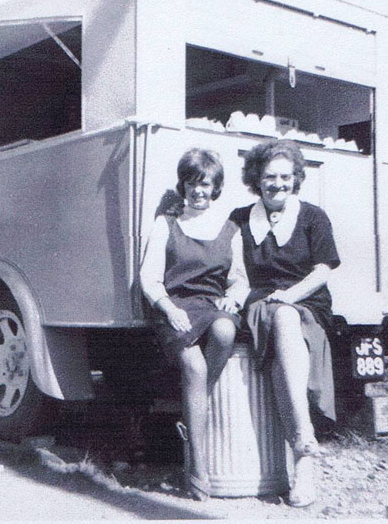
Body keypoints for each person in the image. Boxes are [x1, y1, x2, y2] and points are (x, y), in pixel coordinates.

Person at [230, 140, 340, 508]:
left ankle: (302, 450)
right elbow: (235, 274)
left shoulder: (312, 216)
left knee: (286, 317)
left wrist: (290, 296)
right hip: (260, 302)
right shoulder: (240, 219)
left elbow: (323, 270)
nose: (278, 184)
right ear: (256, 181)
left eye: (285, 177)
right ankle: (304, 445)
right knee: (279, 316)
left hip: (306, 301)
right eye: (269, 177)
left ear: (295, 179)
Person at [140, 148, 249, 501]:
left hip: (211, 305)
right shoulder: (167, 224)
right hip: (175, 305)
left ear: (216, 187)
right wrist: (168, 308)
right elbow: (149, 278)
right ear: (183, 186)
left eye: (206, 184)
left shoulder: (231, 230)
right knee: (193, 365)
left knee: (225, 330)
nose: (198, 191)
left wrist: (234, 298)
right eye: (192, 183)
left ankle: (192, 412)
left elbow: (240, 280)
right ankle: (197, 466)